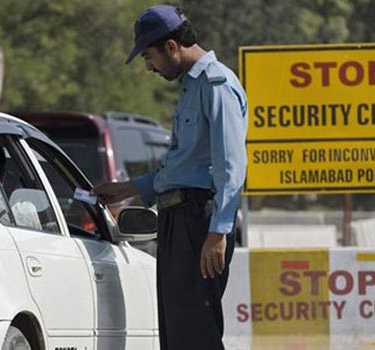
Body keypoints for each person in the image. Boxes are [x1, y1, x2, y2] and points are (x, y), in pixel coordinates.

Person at [92, 5, 247, 350]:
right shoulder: (191, 87)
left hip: (200, 221)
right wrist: (127, 189)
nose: (148, 66)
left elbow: (232, 167)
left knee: (196, 333)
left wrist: (218, 232)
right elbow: (181, 167)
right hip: (178, 218)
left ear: (172, 46)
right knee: (177, 332)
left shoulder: (216, 84)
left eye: (149, 56)